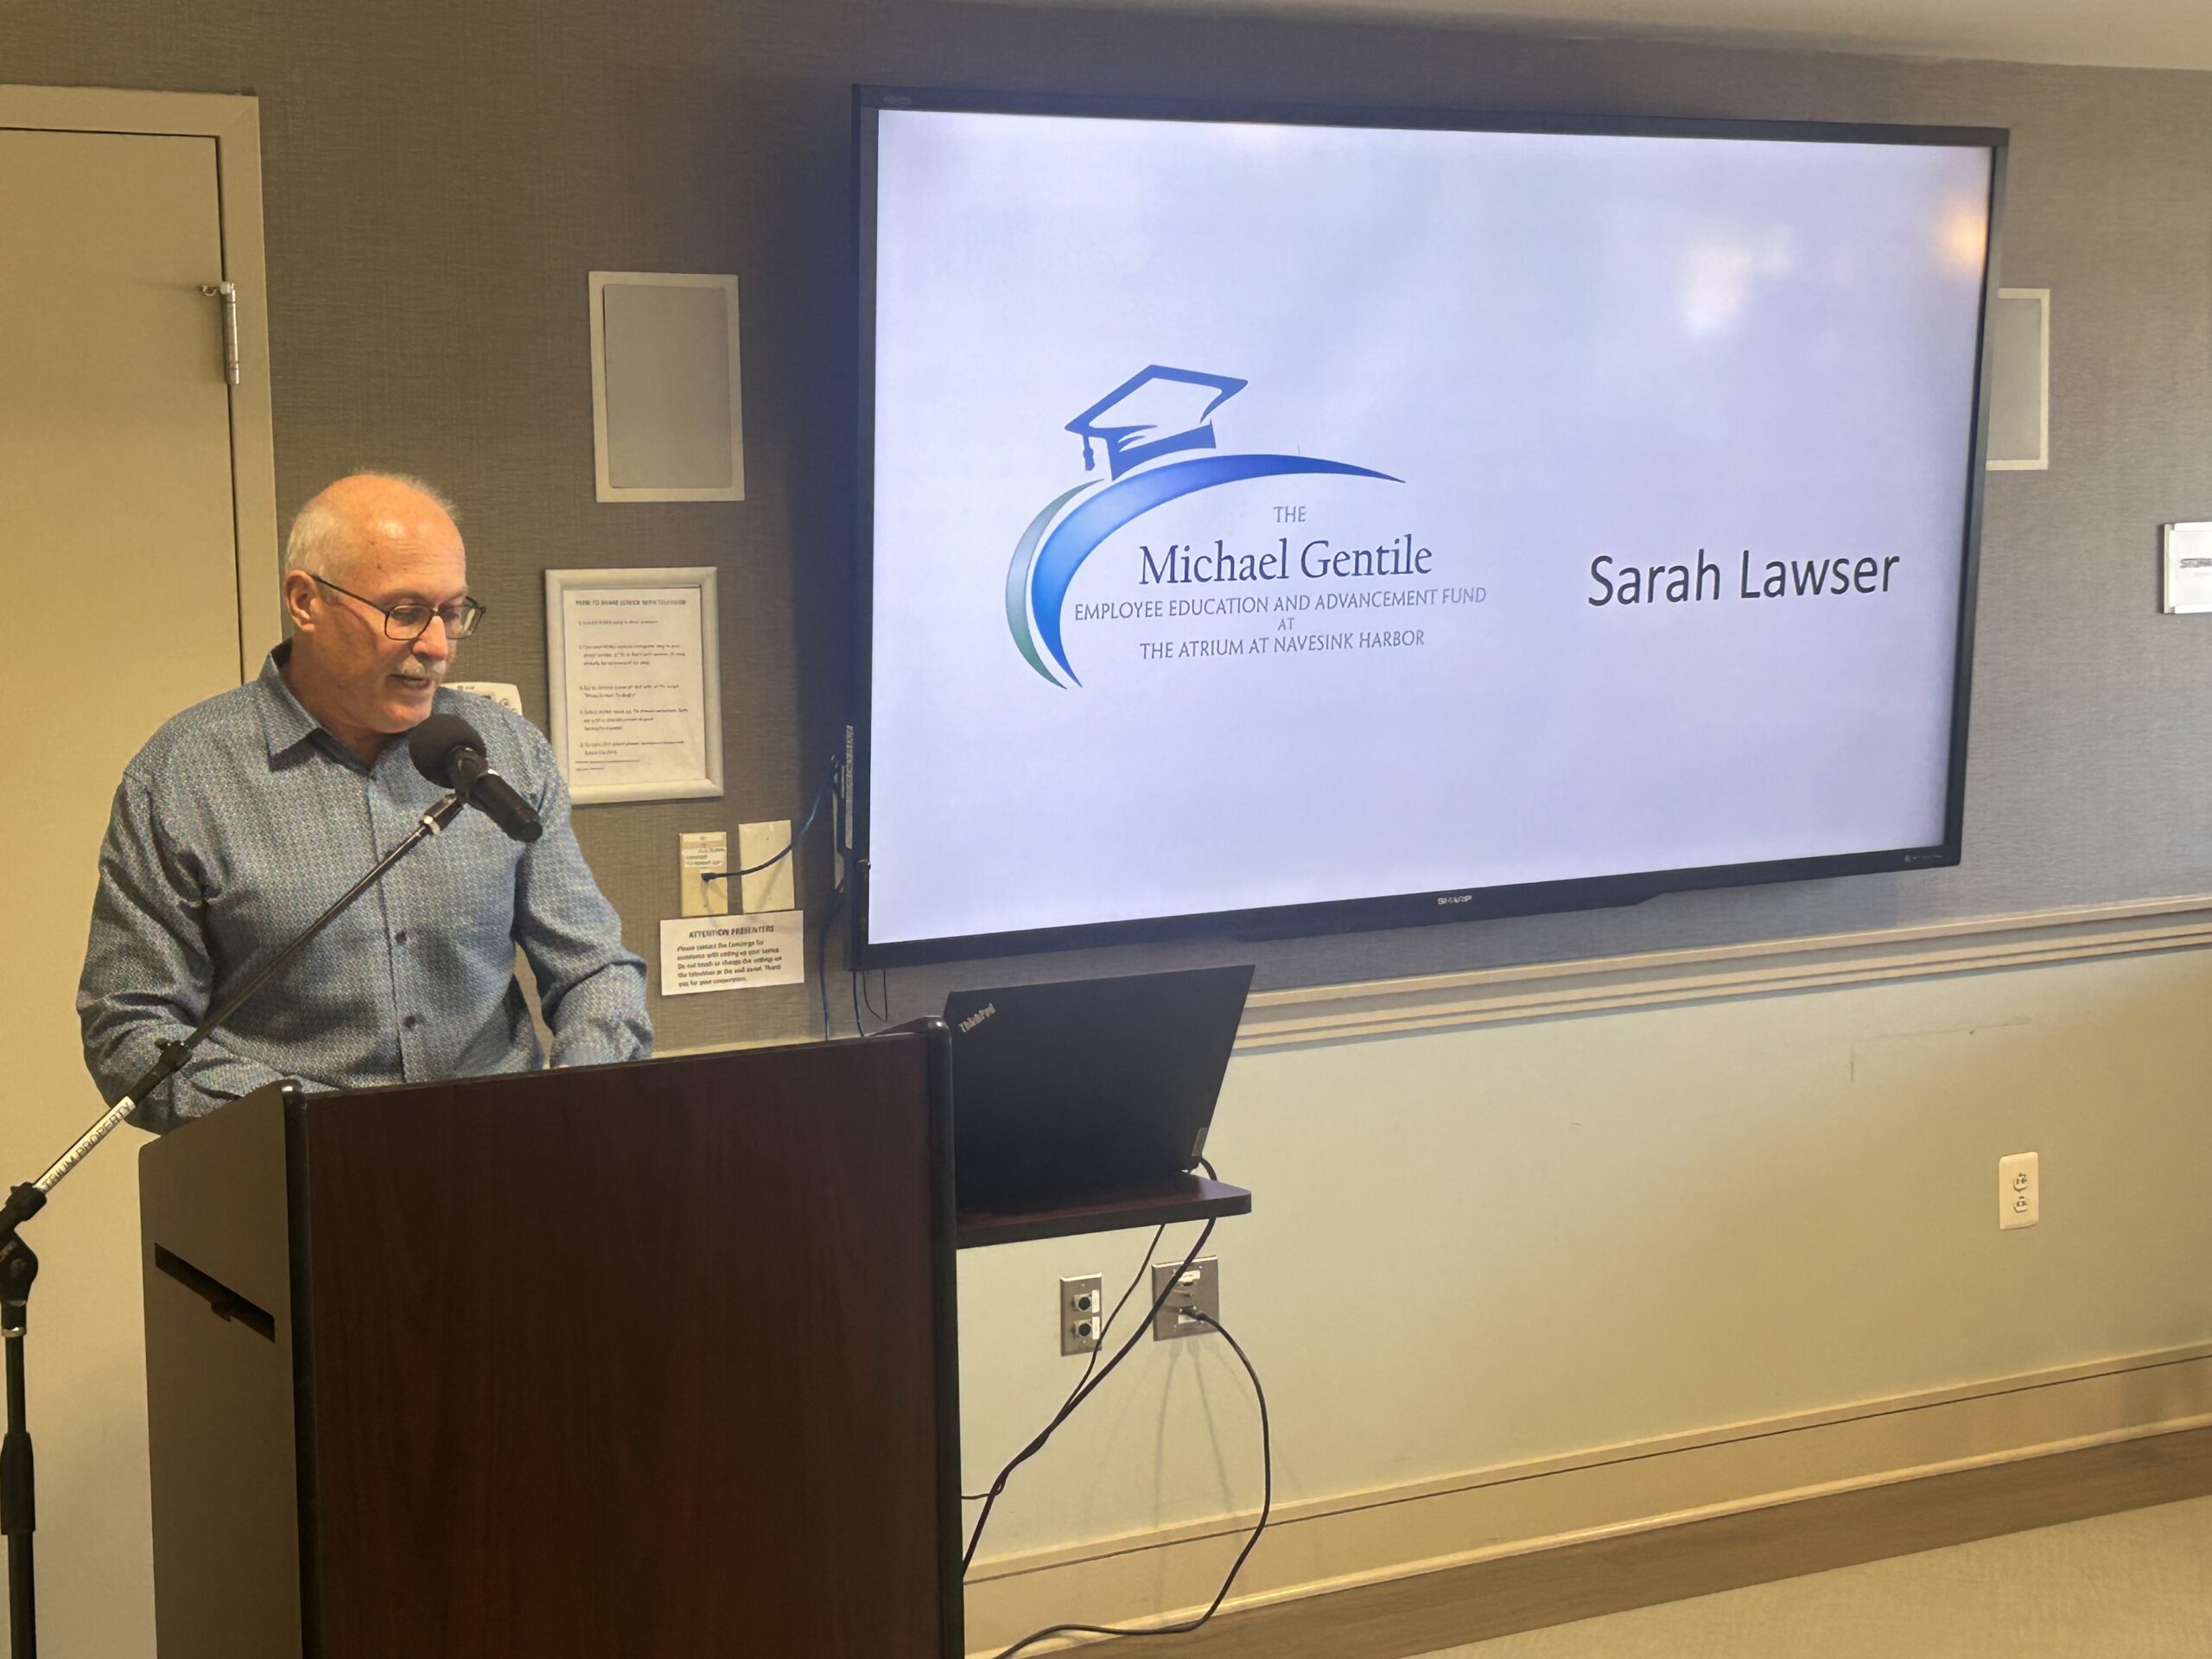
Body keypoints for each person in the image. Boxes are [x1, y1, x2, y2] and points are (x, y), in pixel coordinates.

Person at [79, 473, 652, 1131]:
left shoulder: (509, 754)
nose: (436, 646)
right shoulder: (184, 776)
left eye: (451, 613)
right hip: (295, 1165)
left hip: (500, 1153)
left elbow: (594, 968)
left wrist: (582, 1088)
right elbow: (130, 1026)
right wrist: (313, 1122)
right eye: (404, 612)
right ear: (306, 602)